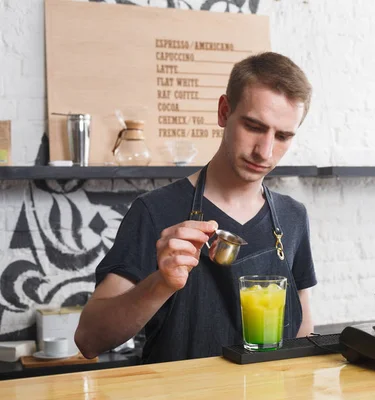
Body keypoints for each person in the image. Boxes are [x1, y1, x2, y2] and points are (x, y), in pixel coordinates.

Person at [74, 52, 316, 363]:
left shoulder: (292, 216)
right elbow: (89, 339)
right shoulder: (154, 211)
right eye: (254, 126)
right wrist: (161, 283)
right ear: (223, 111)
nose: (265, 152)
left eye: (283, 136)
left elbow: (303, 329)